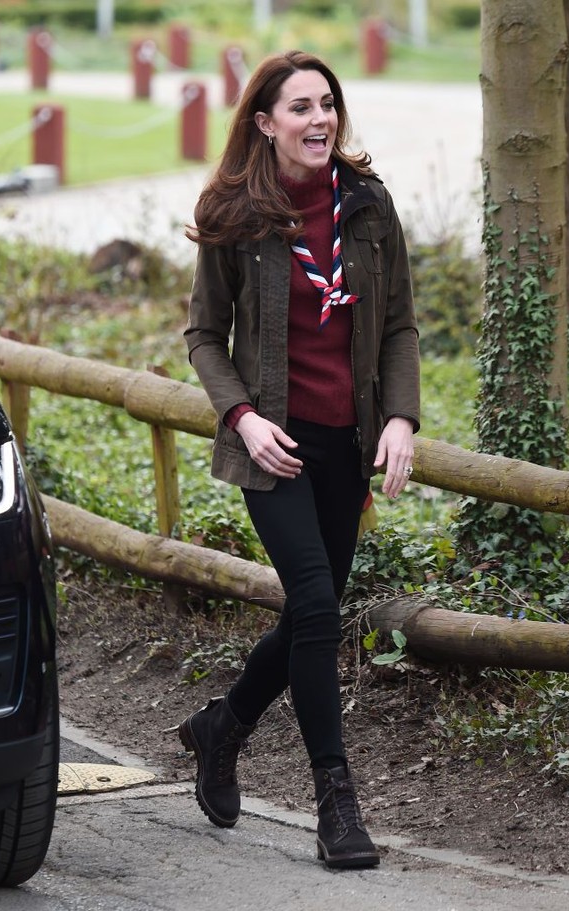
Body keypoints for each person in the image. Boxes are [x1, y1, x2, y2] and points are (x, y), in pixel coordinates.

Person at [179, 49, 420, 870]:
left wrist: (400, 417)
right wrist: (242, 419)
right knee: (317, 608)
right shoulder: (235, 214)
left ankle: (222, 727)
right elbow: (205, 336)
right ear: (266, 124)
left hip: (347, 446)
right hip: (272, 448)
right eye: (300, 108)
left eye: (328, 104)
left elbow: (397, 328)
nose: (320, 120)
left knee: (307, 617)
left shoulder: (370, 208)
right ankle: (336, 802)